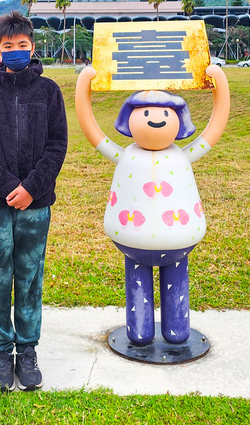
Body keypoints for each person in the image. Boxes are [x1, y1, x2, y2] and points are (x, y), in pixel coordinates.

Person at [74, 65, 229, 347]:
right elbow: (91, 130)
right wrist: (84, 85)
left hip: (179, 239)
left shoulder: (179, 156)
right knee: (139, 280)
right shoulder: (129, 156)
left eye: (165, 114)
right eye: (145, 113)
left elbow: (214, 129)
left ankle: (175, 330)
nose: (155, 120)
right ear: (129, 119)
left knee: (174, 280)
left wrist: (220, 85)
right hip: (134, 240)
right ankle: (141, 331)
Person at [0, 11, 67, 392]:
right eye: (8, 47)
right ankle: (1, 351)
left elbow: (57, 145)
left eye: (22, 46)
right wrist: (9, 186)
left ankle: (27, 350)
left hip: (36, 204)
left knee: (28, 279)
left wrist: (31, 188)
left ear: (32, 47)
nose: (15, 51)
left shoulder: (49, 92)